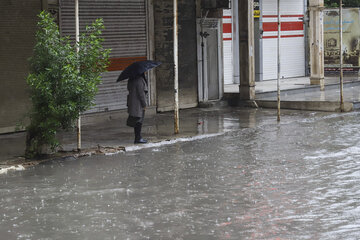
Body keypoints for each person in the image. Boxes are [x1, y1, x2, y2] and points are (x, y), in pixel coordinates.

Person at [126, 73, 148, 144]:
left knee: (136, 120)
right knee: (139, 121)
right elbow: (141, 94)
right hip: (138, 104)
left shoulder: (131, 79)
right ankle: (138, 138)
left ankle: (138, 137)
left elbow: (129, 89)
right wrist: (144, 104)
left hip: (132, 102)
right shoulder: (139, 80)